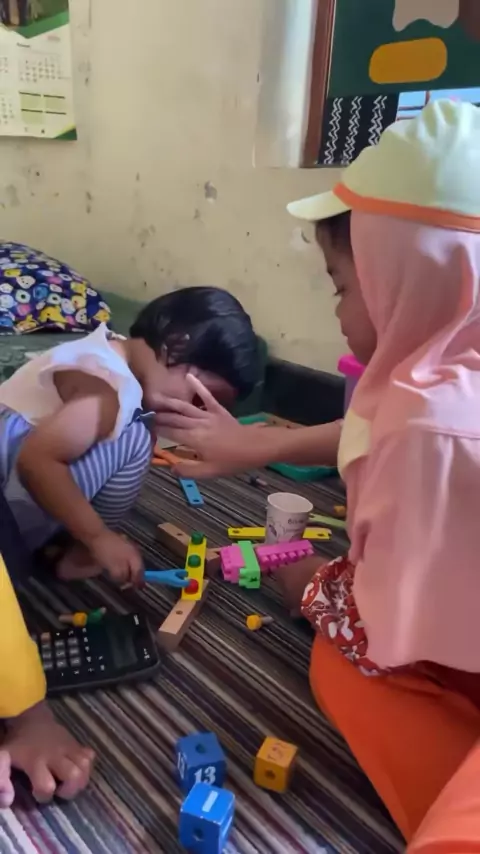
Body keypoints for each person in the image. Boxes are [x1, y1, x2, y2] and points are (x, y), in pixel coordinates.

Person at [156, 99, 480, 846]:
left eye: (341, 285)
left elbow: (386, 630)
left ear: (410, 279)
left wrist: (314, 588)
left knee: (339, 666)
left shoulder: (421, 426)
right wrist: (256, 448)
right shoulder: (439, 382)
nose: (336, 308)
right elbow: (367, 432)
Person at [0, 285, 259, 807]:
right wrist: (98, 536)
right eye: (199, 399)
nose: (194, 415)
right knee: (133, 436)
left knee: (137, 432)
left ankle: (60, 550)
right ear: (176, 347)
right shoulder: (109, 387)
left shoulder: (108, 361)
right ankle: (70, 549)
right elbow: (36, 461)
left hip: (15, 515)